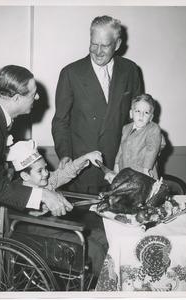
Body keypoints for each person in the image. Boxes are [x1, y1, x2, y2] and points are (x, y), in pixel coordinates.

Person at [0, 65, 73, 247]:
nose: (37, 97)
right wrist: (43, 195)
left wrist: (29, 200)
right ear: (16, 98)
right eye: (33, 94)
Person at [52, 15, 142, 195]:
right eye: (94, 44)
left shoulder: (131, 70)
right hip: (84, 168)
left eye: (105, 45)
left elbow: (140, 116)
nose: (98, 51)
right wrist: (65, 154)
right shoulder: (71, 73)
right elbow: (60, 121)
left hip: (122, 165)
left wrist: (152, 135)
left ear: (117, 44)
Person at [5, 140, 108, 278]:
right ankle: (107, 288)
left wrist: (85, 158)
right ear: (25, 176)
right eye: (40, 171)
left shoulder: (45, 181)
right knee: (94, 248)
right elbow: (37, 210)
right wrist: (53, 205)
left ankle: (108, 278)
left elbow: (64, 173)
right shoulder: (20, 192)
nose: (46, 173)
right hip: (39, 234)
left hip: (55, 227)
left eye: (46, 168)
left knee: (103, 236)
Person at [113, 94, 166, 179]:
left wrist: (146, 169)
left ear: (151, 117)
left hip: (144, 173)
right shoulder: (126, 128)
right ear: (131, 113)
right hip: (125, 172)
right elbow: (121, 148)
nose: (141, 115)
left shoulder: (153, 129)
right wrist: (116, 164)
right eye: (137, 111)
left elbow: (152, 150)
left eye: (146, 112)